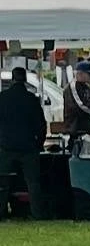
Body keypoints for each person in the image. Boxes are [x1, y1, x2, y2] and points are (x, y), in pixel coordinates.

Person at [0, 66, 46, 221]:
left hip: (6, 146)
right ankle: (37, 213)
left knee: (3, 183)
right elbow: (41, 125)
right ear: (25, 80)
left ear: (12, 79)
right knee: (33, 183)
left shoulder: (2, 98)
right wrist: (39, 143)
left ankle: (1, 212)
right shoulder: (32, 99)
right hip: (28, 147)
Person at [63, 60, 90, 156]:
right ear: (81, 74)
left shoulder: (86, 87)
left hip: (88, 128)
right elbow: (82, 107)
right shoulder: (72, 87)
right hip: (77, 128)